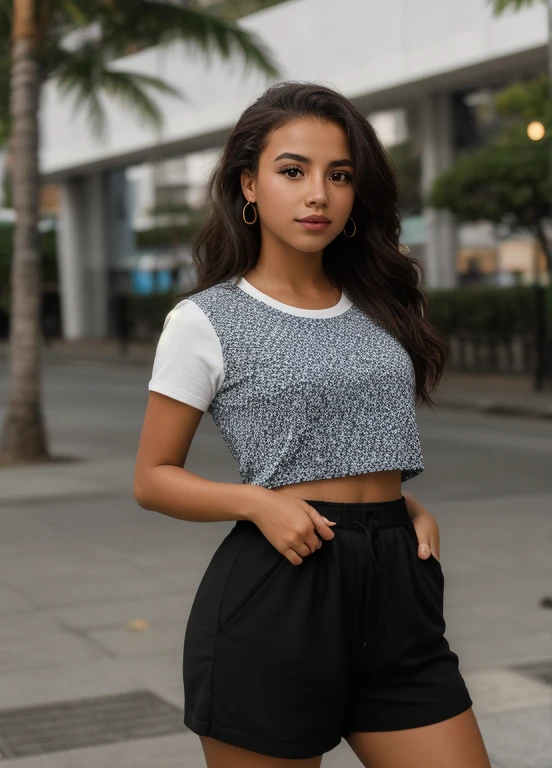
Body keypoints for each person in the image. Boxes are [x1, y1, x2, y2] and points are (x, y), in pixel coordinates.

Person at [134, 81, 492, 768]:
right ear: (248, 185)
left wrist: (400, 503)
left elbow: (353, 440)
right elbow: (153, 479)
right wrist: (255, 502)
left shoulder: (379, 303)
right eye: (292, 171)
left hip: (397, 592)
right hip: (281, 593)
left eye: (340, 175)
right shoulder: (205, 320)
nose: (317, 194)